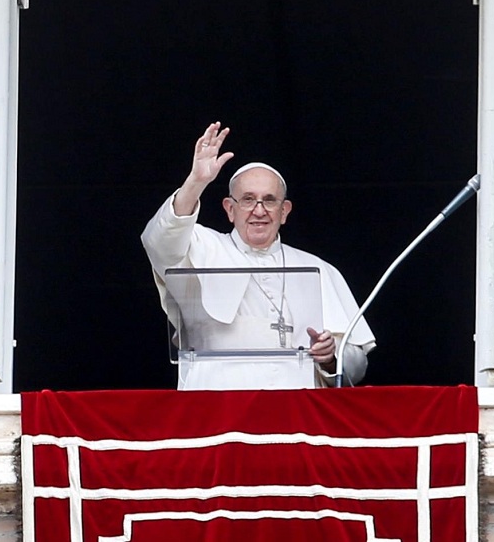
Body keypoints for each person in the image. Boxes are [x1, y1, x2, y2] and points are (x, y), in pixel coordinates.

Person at [141, 122, 375, 388]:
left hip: (295, 416)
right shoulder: (202, 247)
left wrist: (331, 357)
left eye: (270, 200)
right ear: (230, 209)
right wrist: (196, 182)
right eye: (248, 199)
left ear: (284, 211)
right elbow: (159, 241)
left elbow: (357, 366)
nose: (259, 210)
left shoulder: (318, 269)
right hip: (216, 411)